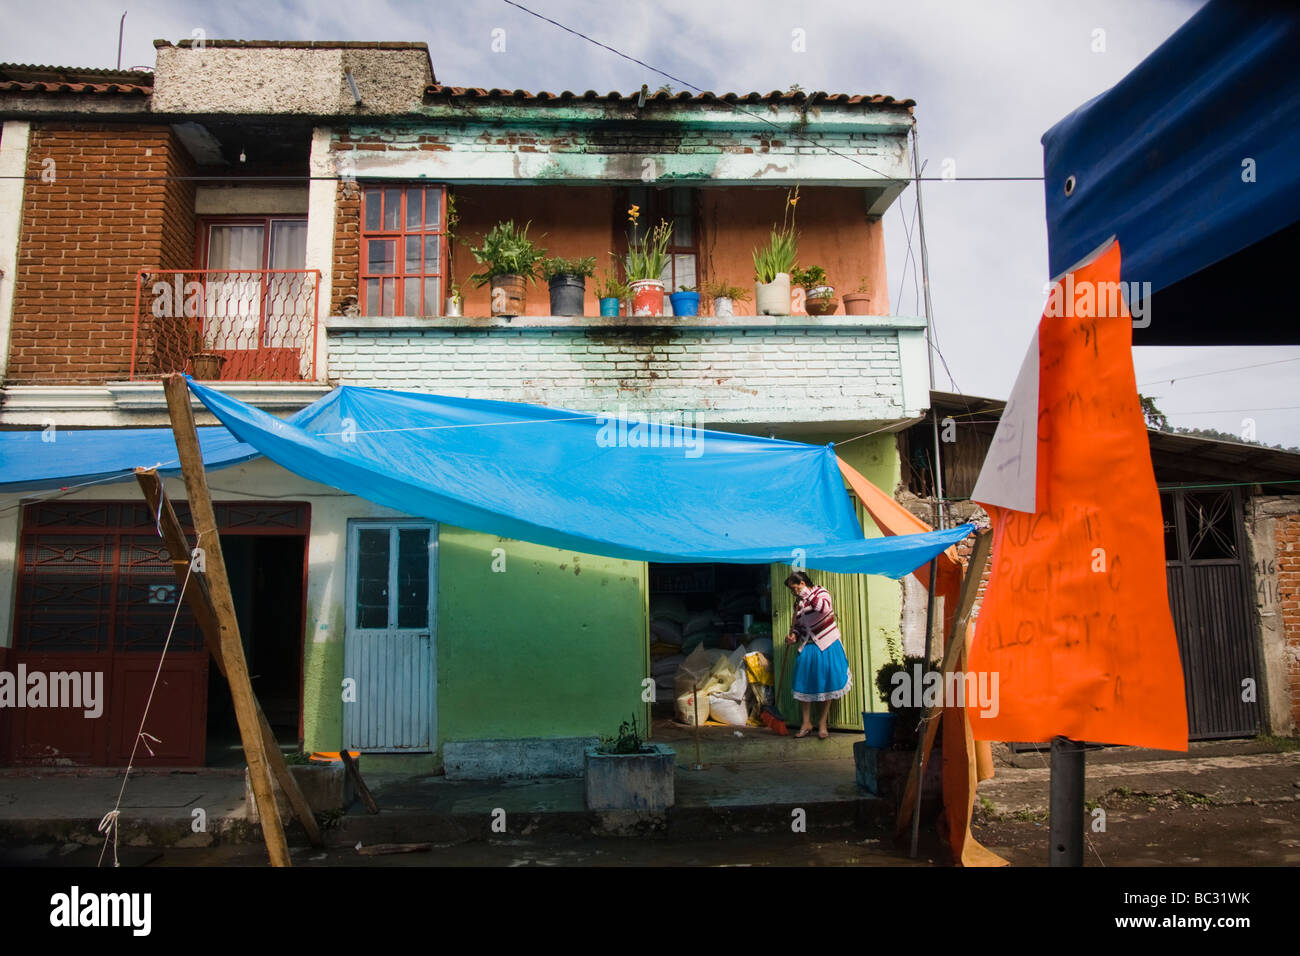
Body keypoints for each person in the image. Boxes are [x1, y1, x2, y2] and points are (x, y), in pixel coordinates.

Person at [784, 571, 852, 739]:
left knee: (826, 683)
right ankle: (806, 723)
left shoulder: (821, 592)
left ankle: (822, 724)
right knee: (803, 682)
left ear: (802, 584)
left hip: (827, 643)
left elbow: (823, 608)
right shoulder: (798, 604)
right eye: (791, 590)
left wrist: (806, 594)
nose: (794, 593)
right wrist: (794, 637)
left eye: (794, 588)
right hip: (809, 644)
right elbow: (800, 627)